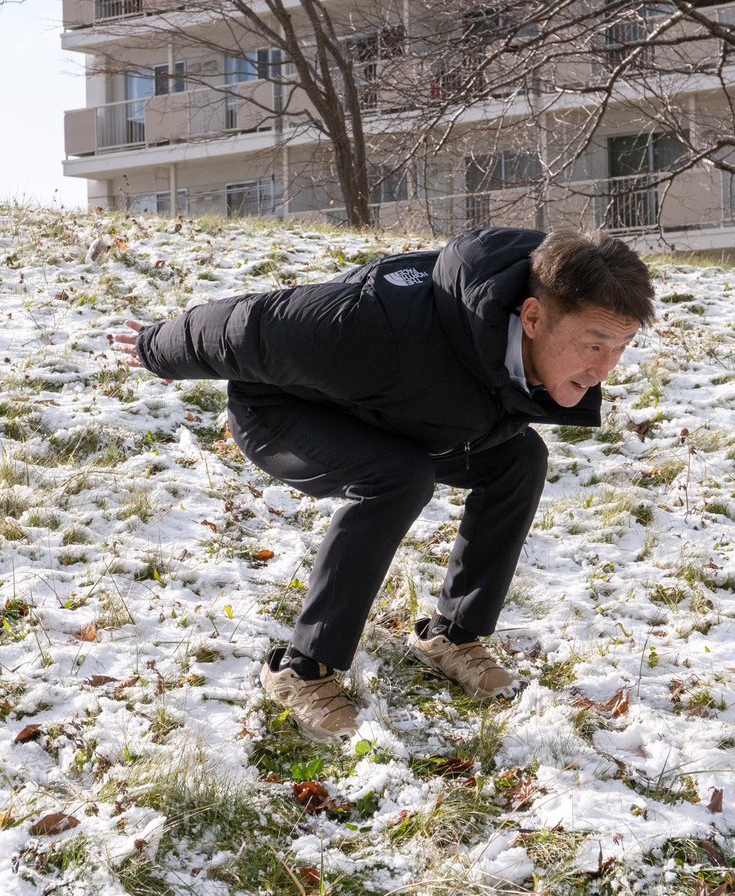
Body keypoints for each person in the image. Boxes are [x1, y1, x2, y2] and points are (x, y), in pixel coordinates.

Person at [113, 227, 655, 742]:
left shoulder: (534, 313)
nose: (606, 368)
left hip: (406, 417)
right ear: (533, 317)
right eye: (594, 345)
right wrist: (154, 347)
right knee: (398, 478)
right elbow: (251, 325)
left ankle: (454, 636)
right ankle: (302, 669)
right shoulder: (375, 327)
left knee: (519, 458)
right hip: (283, 412)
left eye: (621, 347)